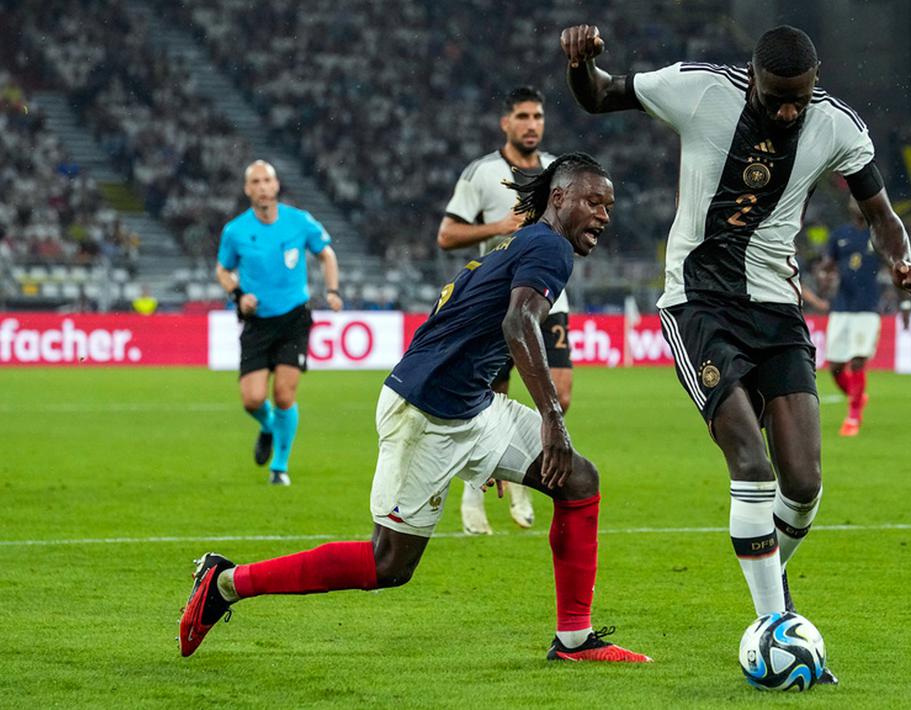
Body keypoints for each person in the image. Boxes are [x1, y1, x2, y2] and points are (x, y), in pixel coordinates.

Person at [561, 24, 911, 681]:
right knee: (750, 464)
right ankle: (772, 624)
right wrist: (581, 64)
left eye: (799, 97)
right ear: (752, 77)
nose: (788, 110)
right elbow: (597, 96)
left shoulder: (837, 126)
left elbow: (881, 213)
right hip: (697, 305)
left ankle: (767, 584)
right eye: (775, 97)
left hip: (776, 309)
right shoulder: (701, 90)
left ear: (814, 81)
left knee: (804, 482)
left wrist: (902, 262)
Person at [181, 153, 650, 664]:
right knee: (389, 566)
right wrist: (552, 422)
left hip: (470, 408)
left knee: (578, 481)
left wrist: (488, 433)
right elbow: (519, 325)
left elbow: (463, 319)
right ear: (559, 198)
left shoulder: (517, 244)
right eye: (593, 201)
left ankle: (574, 641)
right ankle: (223, 583)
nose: (604, 214)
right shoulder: (549, 247)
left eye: (609, 204)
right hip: (425, 415)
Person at [438, 86, 567, 535]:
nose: (532, 124)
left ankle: (520, 480)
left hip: (550, 294)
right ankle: (474, 488)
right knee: (490, 399)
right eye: (523, 116)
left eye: (538, 116)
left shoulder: (557, 170)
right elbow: (447, 234)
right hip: (499, 298)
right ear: (506, 123)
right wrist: (499, 227)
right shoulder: (483, 172)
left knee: (559, 393)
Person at [214, 160, 342, 486]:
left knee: (284, 394)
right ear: (247, 189)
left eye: (267, 180)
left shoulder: (299, 221)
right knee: (252, 399)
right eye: (255, 181)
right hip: (257, 322)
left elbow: (326, 254)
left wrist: (331, 290)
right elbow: (222, 270)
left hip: (294, 319)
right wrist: (238, 293)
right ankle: (268, 425)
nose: (262, 187)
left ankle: (279, 467)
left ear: (276, 185)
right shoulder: (235, 231)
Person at [804, 197, 911, 437]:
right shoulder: (840, 235)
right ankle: (857, 397)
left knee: (858, 360)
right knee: (835, 366)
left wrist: (904, 303)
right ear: (849, 207)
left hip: (867, 307)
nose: (856, 202)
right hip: (841, 306)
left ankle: (853, 416)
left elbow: (897, 271)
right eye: (852, 199)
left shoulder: (879, 236)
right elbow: (826, 266)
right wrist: (824, 276)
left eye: (858, 198)